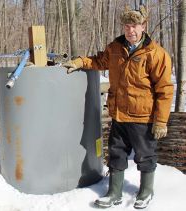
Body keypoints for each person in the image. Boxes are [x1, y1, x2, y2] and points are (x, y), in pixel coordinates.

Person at [63, 5, 174, 209]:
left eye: (134, 26)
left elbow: (165, 89)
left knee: (145, 156)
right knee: (116, 154)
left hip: (143, 117)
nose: (130, 30)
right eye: (126, 26)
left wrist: (160, 121)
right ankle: (114, 192)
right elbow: (98, 61)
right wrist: (80, 62)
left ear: (143, 27)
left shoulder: (156, 54)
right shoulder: (115, 48)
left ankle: (146, 192)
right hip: (119, 115)